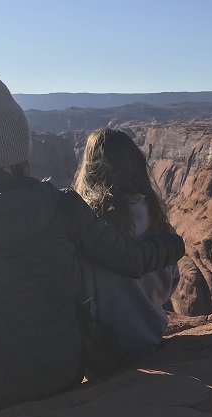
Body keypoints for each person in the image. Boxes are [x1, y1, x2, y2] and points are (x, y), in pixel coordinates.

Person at [0, 73, 185, 414]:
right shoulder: (61, 205)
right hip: (63, 374)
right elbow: (131, 260)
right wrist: (173, 244)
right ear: (23, 147)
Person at [73, 128, 180, 362]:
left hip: (102, 349)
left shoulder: (87, 222)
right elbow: (171, 282)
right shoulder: (156, 218)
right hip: (151, 338)